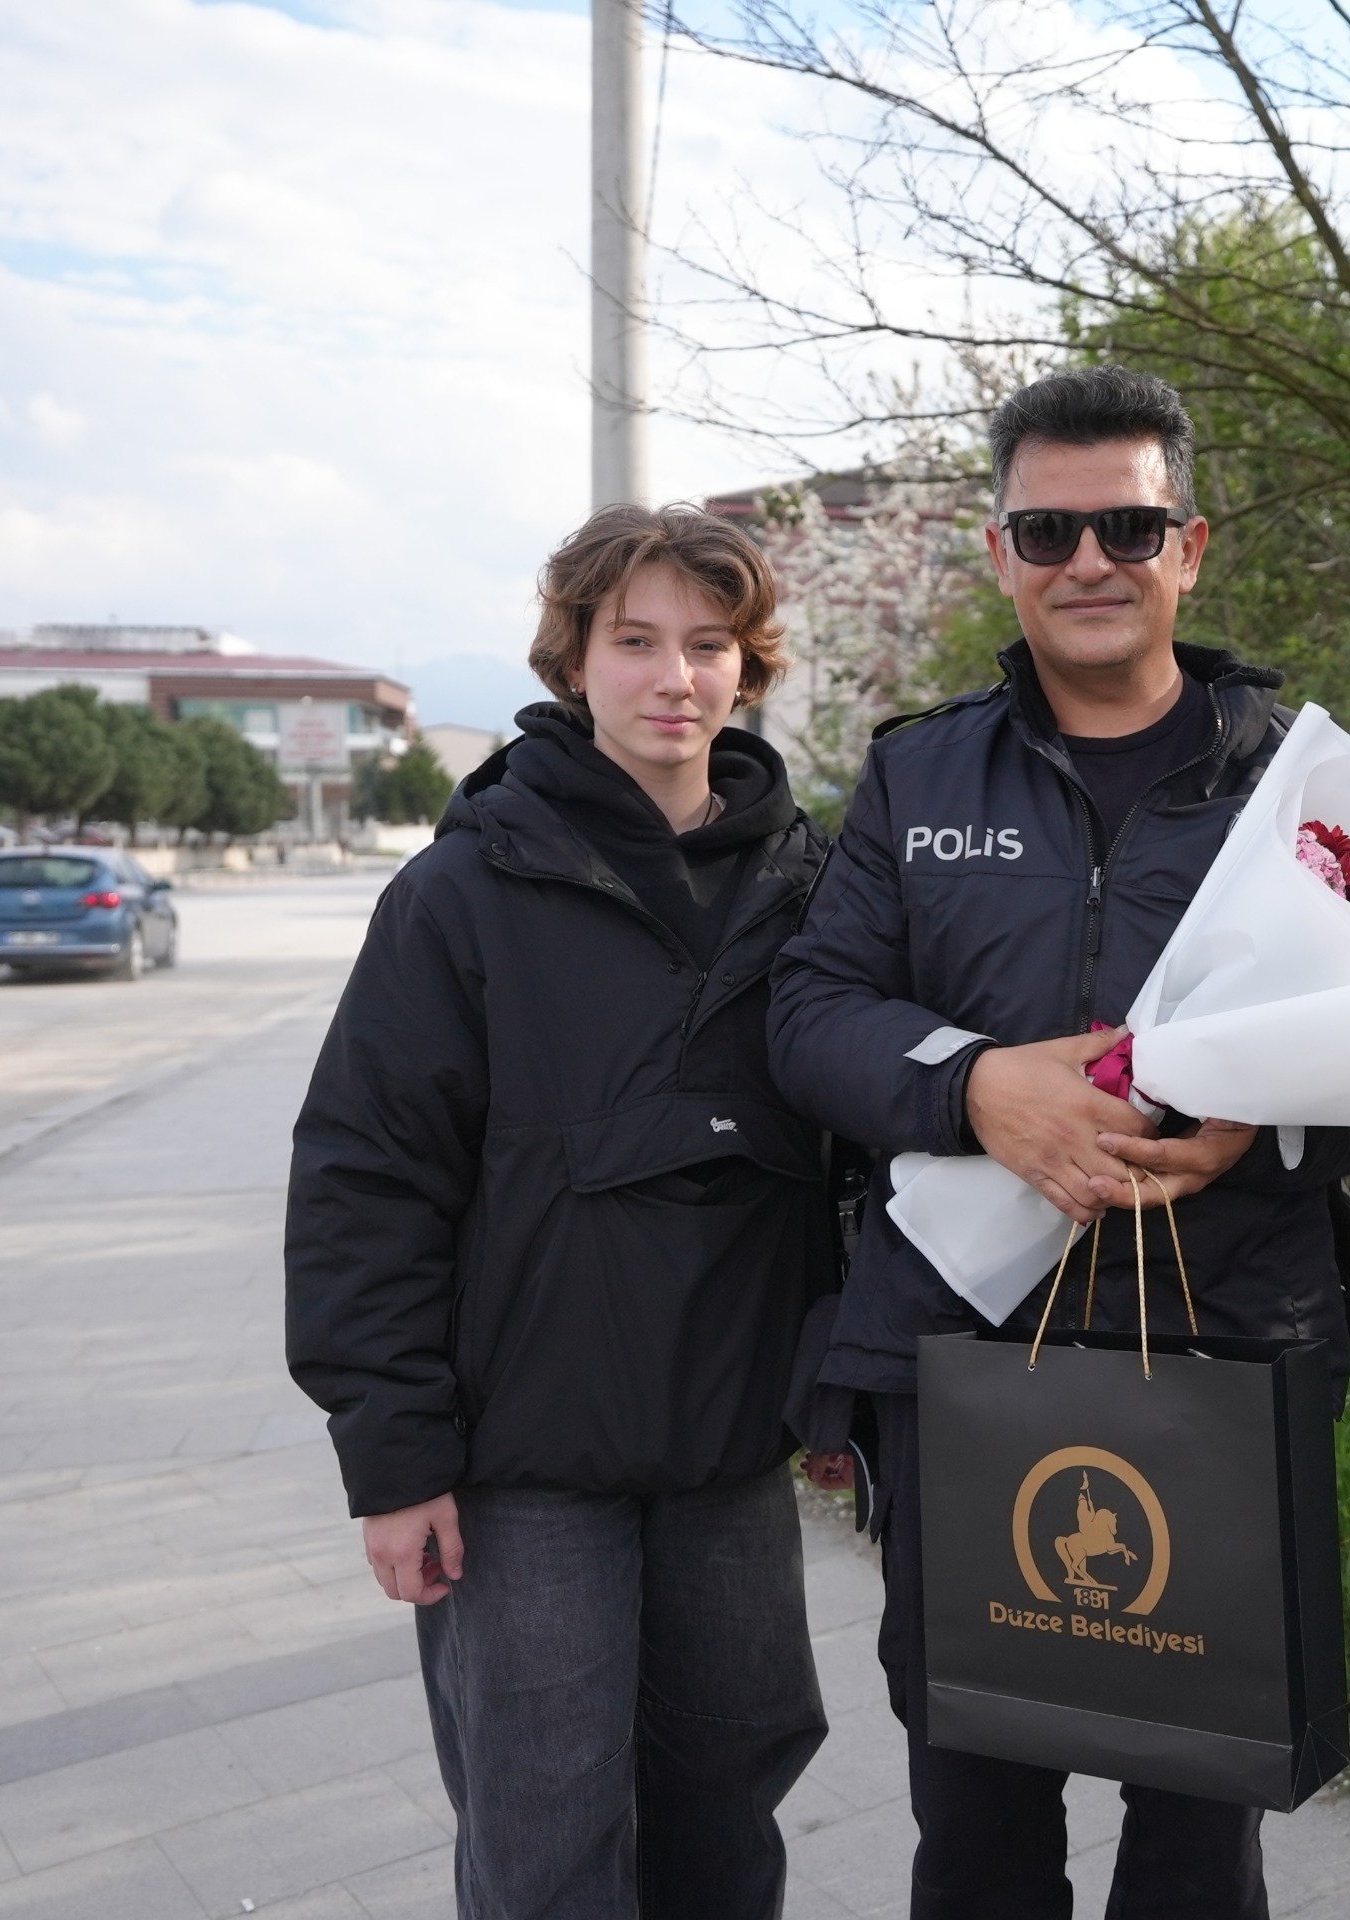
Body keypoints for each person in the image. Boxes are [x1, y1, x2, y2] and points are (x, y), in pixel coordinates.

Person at [768, 364, 1350, 1920]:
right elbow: (810, 1008)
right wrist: (974, 1083)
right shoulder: (922, 774)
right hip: (969, 1350)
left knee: (1200, 1828)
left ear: (1189, 547)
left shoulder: (1307, 781)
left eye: (1126, 525)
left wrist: (1263, 1126)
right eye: (1047, 529)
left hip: (1231, 1345)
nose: (1088, 563)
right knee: (978, 1808)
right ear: (1001, 553)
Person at [286, 505, 832, 1919]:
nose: (675, 678)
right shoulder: (461, 893)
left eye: (708, 646)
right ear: (573, 662)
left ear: (748, 667)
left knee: (729, 1811)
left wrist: (847, 1392)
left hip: (727, 1449)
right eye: (635, 642)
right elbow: (366, 1174)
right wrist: (392, 1454)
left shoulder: (809, 888)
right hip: (523, 1465)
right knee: (547, 1836)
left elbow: (855, 1157)